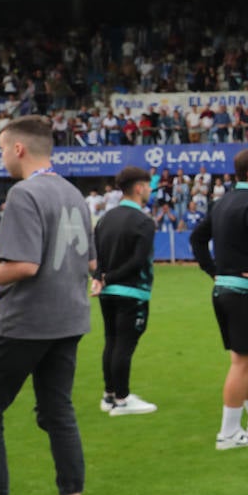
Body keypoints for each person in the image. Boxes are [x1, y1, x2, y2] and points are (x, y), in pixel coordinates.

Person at [0, 116, 96, 495]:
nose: (1, 156)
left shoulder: (24, 193)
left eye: (2, 149)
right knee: (57, 412)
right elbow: (85, 262)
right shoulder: (73, 193)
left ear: (19, 149)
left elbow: (23, 266)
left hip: (25, 322)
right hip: (68, 319)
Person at [189, 149, 248, 450]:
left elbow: (196, 238)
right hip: (245, 292)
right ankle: (229, 433)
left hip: (223, 289)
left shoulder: (222, 201)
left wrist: (213, 270)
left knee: (244, 358)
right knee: (243, 363)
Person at [92, 166, 158, 416]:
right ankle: (122, 399)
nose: (150, 191)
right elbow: (139, 260)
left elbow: (97, 256)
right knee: (124, 345)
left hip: (108, 293)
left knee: (111, 341)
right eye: (148, 186)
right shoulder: (144, 221)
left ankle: (109, 394)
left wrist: (101, 278)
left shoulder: (106, 219)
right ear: (139, 188)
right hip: (132, 291)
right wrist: (109, 277)